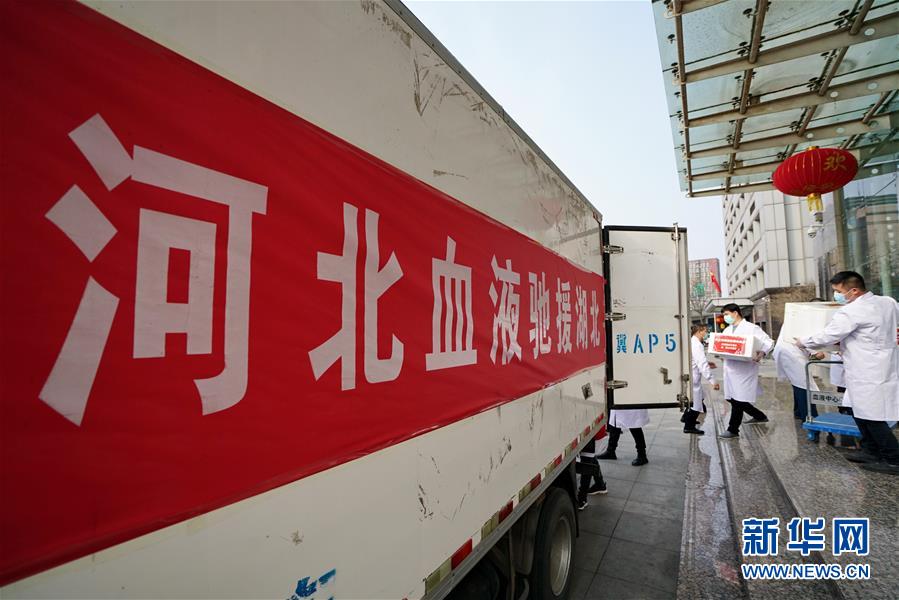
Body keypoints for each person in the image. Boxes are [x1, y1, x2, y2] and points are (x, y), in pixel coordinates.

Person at [796, 271, 899, 475]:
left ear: (854, 290)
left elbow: (829, 335)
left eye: (838, 291)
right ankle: (871, 450)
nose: (836, 295)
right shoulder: (888, 302)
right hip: (880, 366)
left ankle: (893, 459)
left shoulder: (852, 311)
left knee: (872, 416)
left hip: (866, 370)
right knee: (859, 411)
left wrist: (803, 341)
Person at [717, 303, 775, 439]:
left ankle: (733, 429)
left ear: (735, 313)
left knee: (738, 399)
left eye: (726, 314)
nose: (725, 317)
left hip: (745, 369)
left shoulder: (751, 328)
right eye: (724, 315)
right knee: (733, 398)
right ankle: (759, 416)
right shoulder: (727, 330)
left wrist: (762, 352)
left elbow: (768, 342)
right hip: (730, 368)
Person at [684, 324, 719, 435]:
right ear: (699, 331)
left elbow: (697, 360)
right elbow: (701, 364)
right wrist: (712, 380)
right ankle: (688, 426)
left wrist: (708, 363)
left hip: (692, 376)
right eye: (705, 331)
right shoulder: (696, 344)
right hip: (694, 377)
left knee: (698, 399)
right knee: (696, 403)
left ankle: (687, 419)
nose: (706, 333)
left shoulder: (693, 342)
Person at [575, 435, 608, 510]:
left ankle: (582, 498)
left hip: (591, 437)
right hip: (592, 436)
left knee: (587, 461)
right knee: (590, 459)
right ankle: (600, 485)